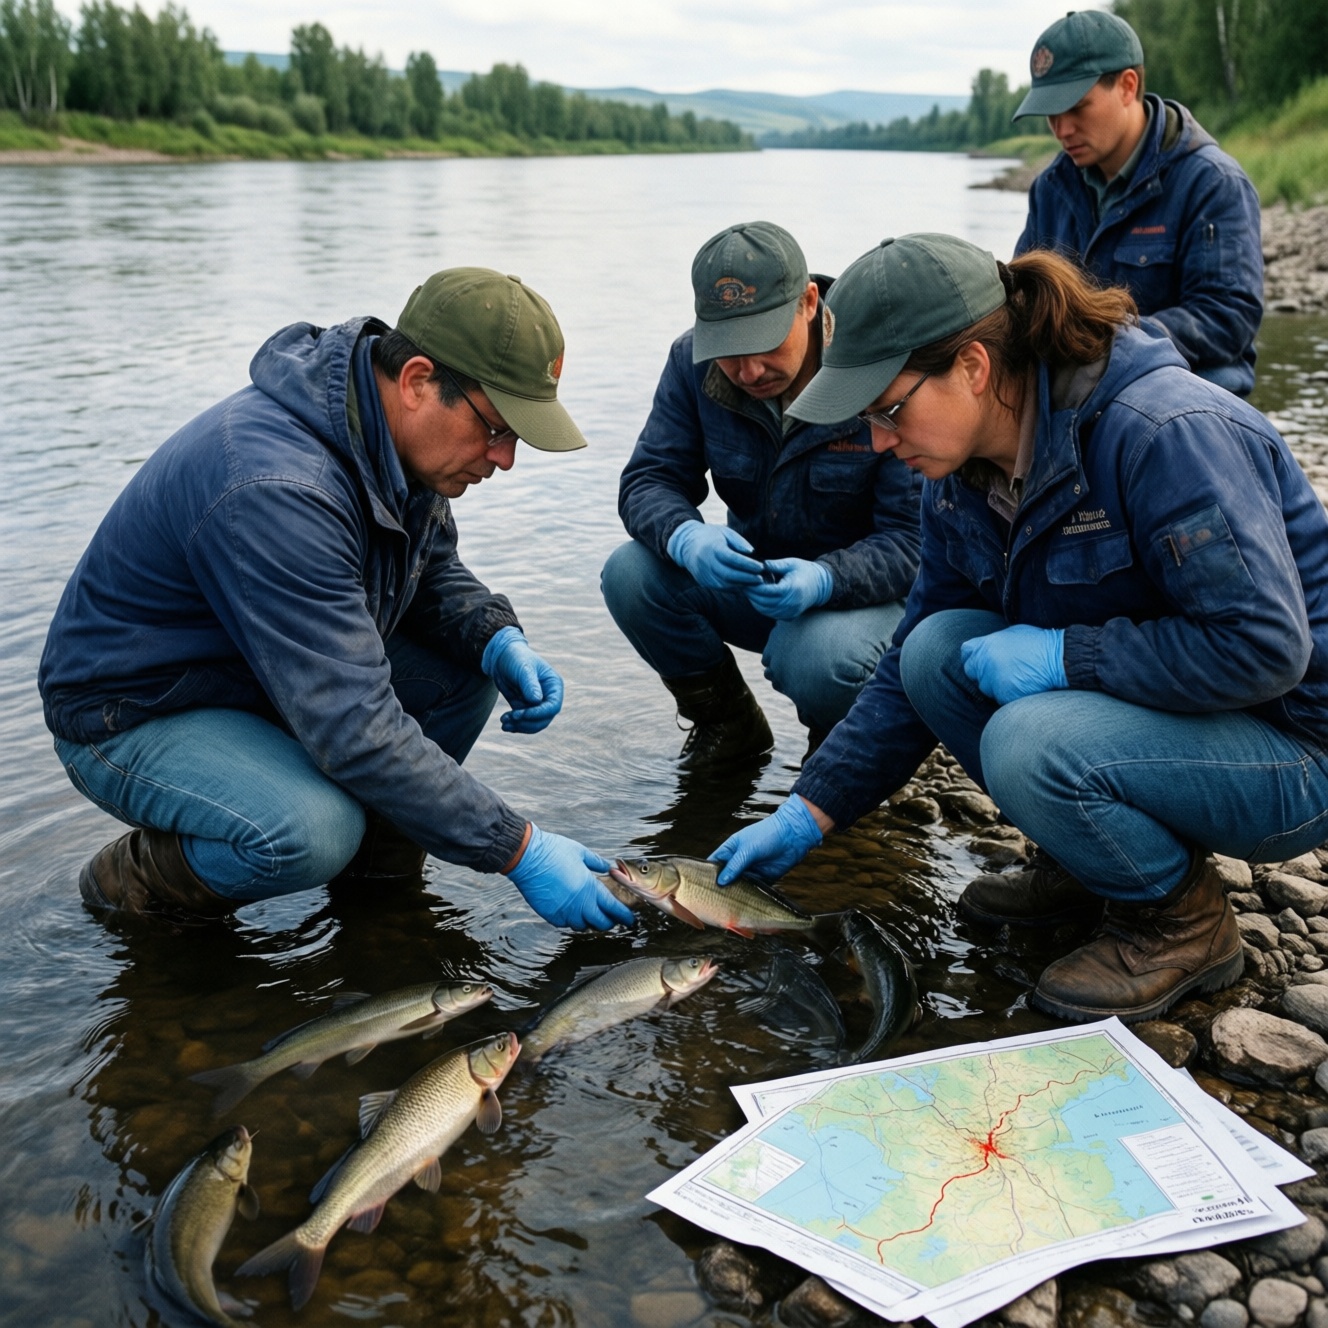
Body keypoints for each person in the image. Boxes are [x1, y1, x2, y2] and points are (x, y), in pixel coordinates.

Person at [706, 232, 1328, 1024]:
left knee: (1025, 740)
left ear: (973, 366)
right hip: (1188, 718)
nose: (880, 442)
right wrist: (809, 811)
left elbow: (1264, 649)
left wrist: (1066, 656)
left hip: (1293, 749)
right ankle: (1089, 866)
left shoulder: (1164, 433)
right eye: (865, 419)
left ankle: (1179, 922)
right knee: (934, 653)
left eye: (889, 410)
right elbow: (907, 662)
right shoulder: (957, 478)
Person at [39, 267, 636, 933]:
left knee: (465, 673)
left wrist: (494, 635)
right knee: (312, 829)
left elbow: (430, 570)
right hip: (138, 707)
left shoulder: (392, 439)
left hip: (256, 671)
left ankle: (376, 898)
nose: (505, 459)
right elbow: (354, 727)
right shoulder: (278, 487)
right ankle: (130, 887)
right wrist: (518, 849)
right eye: (496, 429)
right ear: (416, 381)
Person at [601, 220, 921, 769]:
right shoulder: (690, 363)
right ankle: (729, 726)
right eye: (729, 350)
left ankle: (841, 752)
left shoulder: (876, 366)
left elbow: (916, 541)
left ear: (809, 303)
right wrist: (685, 537)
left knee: (817, 657)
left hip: (869, 605)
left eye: (765, 344)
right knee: (630, 574)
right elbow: (649, 479)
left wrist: (827, 580)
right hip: (760, 584)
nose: (749, 371)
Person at [1013, 9, 1263, 397]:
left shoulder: (1213, 183)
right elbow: (1022, 300)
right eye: (1051, 114)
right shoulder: (1050, 189)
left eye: (1076, 108)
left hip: (1189, 408)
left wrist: (1104, 339)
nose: (1062, 129)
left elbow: (1227, 319)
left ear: (1128, 86)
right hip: (1081, 405)